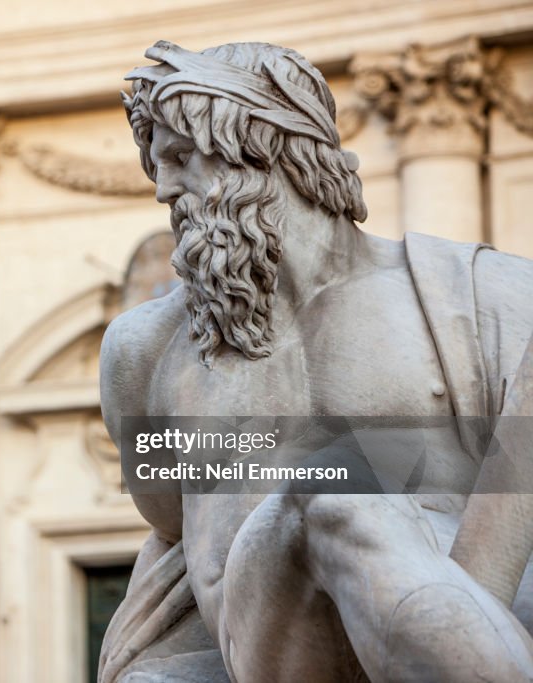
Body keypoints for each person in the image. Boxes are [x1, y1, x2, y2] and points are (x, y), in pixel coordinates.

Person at [99, 40, 533, 682]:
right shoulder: (144, 354)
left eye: (181, 157)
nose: (163, 189)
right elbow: (172, 527)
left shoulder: (484, 294)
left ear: (262, 145)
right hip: (268, 644)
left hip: (476, 621)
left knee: (336, 494)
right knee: (321, 494)